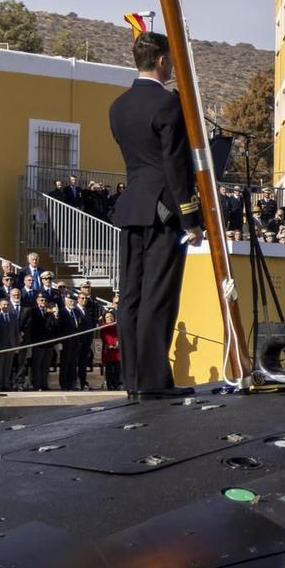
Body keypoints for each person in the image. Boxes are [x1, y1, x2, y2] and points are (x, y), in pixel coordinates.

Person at [108, 29, 204, 401]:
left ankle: (133, 378)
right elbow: (175, 167)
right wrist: (191, 219)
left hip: (131, 206)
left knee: (130, 295)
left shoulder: (117, 106)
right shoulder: (168, 105)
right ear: (162, 61)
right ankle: (153, 380)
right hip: (162, 211)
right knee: (157, 296)